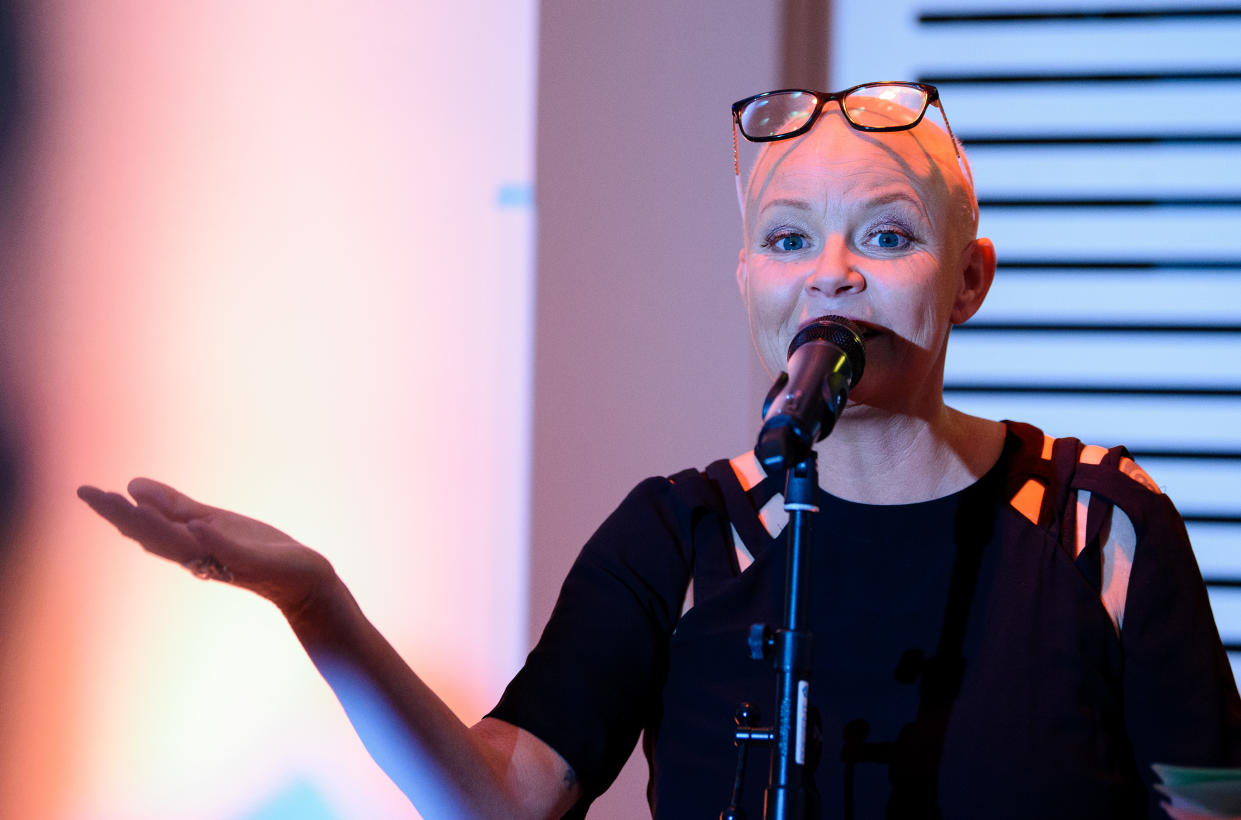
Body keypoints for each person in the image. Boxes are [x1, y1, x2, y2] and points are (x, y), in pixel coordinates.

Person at [79, 82, 1241, 819]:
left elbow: (1209, 805)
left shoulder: (1101, 527)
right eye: (788, 240)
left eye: (883, 235)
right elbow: (503, 798)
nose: (830, 271)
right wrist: (315, 600)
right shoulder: (678, 537)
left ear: (968, 278)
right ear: (750, 286)